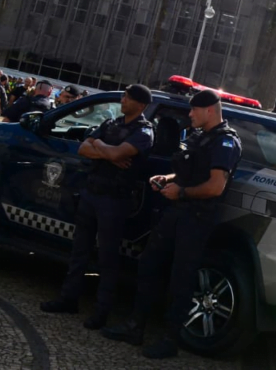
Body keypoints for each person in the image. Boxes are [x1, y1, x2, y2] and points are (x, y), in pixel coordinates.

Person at [103, 89, 241, 359]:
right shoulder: (200, 136)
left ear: (209, 110)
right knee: (149, 264)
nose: (190, 114)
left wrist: (181, 192)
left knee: (181, 278)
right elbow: (187, 171)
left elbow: (215, 186)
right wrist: (167, 179)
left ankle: (170, 340)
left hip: (197, 218)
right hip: (176, 212)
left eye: (194, 110)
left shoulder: (225, 142)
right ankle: (135, 326)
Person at [41, 84, 155, 329]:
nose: (123, 100)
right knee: (79, 251)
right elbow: (85, 147)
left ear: (141, 105)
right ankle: (68, 299)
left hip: (114, 200)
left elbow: (116, 153)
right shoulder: (111, 123)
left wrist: (101, 147)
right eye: (123, 96)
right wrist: (108, 152)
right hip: (91, 193)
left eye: (128, 97)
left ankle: (102, 311)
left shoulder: (144, 132)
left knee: (107, 258)